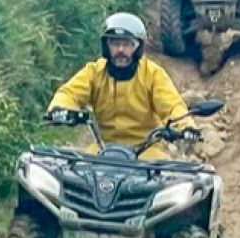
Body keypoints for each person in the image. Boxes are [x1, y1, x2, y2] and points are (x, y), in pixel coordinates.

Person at [46, 13, 199, 161]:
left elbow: (172, 105)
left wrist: (185, 126)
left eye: (127, 44)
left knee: (161, 177)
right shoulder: (94, 72)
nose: (120, 50)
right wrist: (60, 108)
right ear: (106, 46)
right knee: (80, 172)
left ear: (138, 48)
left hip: (145, 150)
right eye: (115, 43)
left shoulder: (153, 74)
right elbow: (69, 93)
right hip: (103, 146)